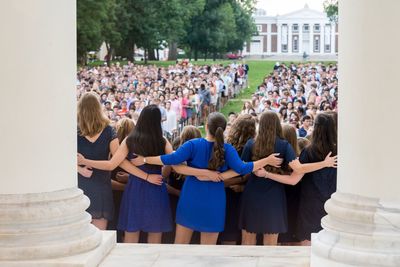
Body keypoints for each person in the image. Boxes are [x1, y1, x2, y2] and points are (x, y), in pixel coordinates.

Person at [130, 112, 283, 245]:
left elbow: (171, 158)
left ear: (207, 126)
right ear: (223, 129)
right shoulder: (227, 149)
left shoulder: (192, 144)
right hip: (214, 199)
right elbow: (242, 168)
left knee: (180, 246)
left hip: (191, 196)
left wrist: (145, 160)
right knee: (208, 250)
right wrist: (267, 160)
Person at [78, 105, 222, 243]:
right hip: (156, 187)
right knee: (155, 234)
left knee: (131, 233)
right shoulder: (163, 141)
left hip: (135, 188)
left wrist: (85, 161)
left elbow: (113, 164)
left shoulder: (130, 140)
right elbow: (171, 166)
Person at [239, 111, 337, 246]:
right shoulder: (284, 145)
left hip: (252, 193)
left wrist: (259, 166)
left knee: (247, 239)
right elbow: (299, 169)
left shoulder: (250, 144)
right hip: (274, 194)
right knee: (271, 240)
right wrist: (324, 164)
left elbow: (242, 169)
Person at [221, 114, 256, 245]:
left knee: (229, 231)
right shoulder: (254, 148)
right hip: (245, 193)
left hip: (229, 192)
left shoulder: (226, 147)